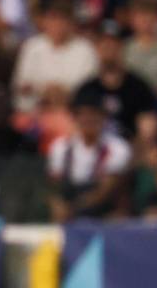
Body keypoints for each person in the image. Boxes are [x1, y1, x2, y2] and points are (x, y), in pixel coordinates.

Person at [48, 87, 131, 222]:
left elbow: (106, 190)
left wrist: (73, 209)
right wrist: (57, 205)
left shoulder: (117, 148)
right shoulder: (61, 148)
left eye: (94, 114)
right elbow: (54, 186)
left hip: (103, 211)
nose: (88, 119)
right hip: (69, 209)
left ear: (103, 117)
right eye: (83, 115)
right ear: (75, 118)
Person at [76, 20, 157, 140]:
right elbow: (77, 129)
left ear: (122, 47)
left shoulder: (139, 87)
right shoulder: (86, 89)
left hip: (132, 151)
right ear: (97, 48)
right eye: (104, 43)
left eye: (114, 44)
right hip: (96, 153)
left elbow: (148, 127)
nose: (109, 48)